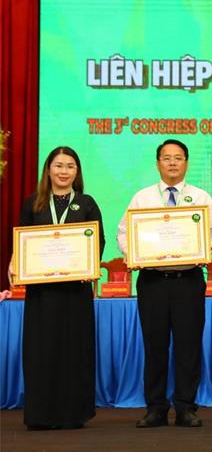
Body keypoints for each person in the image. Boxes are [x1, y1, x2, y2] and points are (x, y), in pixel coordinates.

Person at [117, 139, 212, 428]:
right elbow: (123, 233)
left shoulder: (201, 197)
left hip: (188, 281)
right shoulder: (142, 198)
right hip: (152, 281)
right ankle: (155, 408)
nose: (173, 163)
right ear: (158, 163)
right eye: (167, 158)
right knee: (154, 346)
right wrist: (132, 254)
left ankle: (186, 408)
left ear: (186, 163)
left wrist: (207, 248)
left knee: (188, 346)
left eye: (178, 157)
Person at [11, 146, 105, 430]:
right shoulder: (33, 203)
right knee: (42, 350)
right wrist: (15, 262)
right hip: (42, 294)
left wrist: (89, 265)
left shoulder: (86, 203)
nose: (64, 171)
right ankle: (41, 415)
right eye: (59, 165)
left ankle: (72, 414)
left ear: (77, 172)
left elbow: (98, 241)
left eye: (70, 166)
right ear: (48, 169)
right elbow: (21, 241)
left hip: (76, 292)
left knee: (75, 350)